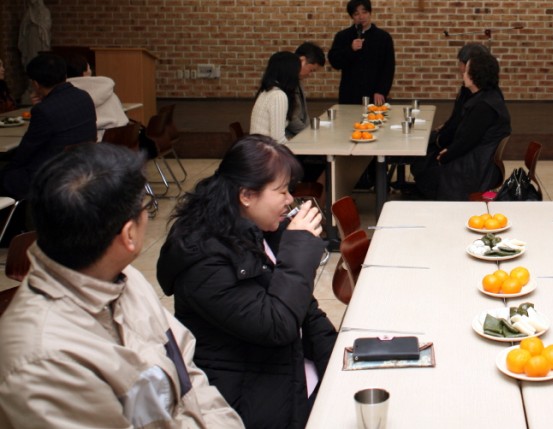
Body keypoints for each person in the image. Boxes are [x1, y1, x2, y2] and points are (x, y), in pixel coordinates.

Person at [0, 143, 243, 428]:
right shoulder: (43, 363)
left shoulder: (124, 278)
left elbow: (187, 373)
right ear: (129, 235)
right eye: (145, 207)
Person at [157, 134, 338, 429]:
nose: (290, 200)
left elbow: (305, 310)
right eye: (281, 191)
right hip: (246, 401)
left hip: (288, 371)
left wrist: (339, 365)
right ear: (246, 196)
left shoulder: (260, 228)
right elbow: (277, 325)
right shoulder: (203, 261)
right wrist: (297, 253)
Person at [414, 53, 511, 200]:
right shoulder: (487, 97)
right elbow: (466, 138)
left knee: (426, 173)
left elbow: (466, 141)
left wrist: (446, 155)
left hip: (476, 170)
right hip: (478, 161)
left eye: (466, 71)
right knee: (425, 164)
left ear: (475, 76)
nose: (463, 74)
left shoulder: (484, 107)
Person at [0, 53, 96, 200]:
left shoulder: (44, 110)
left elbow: (25, 152)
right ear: (65, 76)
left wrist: (7, 170)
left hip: (47, 178)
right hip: (79, 169)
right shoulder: (83, 96)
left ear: (35, 84)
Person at [328, 0, 395, 105]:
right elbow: (335, 62)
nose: (361, 17)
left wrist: (381, 91)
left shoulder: (383, 37)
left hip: (375, 94)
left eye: (364, 12)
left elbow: (388, 67)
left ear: (370, 13)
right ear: (352, 16)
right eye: (356, 14)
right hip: (350, 93)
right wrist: (350, 49)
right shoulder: (343, 36)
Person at [64, 53, 128, 141]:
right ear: (86, 72)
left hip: (83, 144)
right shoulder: (107, 88)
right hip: (118, 140)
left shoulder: (62, 97)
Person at [249, 51, 302, 144]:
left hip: (258, 147)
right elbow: (278, 140)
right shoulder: (278, 96)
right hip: (264, 150)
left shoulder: (267, 90)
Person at [286, 42, 326, 137]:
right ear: (302, 60)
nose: (309, 74)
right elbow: (291, 118)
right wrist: (308, 134)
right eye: (311, 70)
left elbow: (304, 114)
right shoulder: (287, 81)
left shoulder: (297, 80)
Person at [18, 0, 51, 69]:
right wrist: (27, 24)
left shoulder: (44, 11)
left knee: (40, 56)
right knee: (31, 55)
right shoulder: (29, 12)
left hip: (40, 36)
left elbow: (47, 24)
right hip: (30, 36)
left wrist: (36, 23)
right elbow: (23, 25)